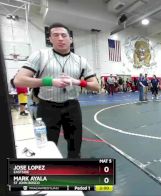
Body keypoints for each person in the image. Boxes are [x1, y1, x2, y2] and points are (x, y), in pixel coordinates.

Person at [14, 23, 99, 158]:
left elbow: (96, 86)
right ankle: (51, 173)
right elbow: (19, 80)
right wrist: (49, 81)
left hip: (72, 107)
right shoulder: (40, 55)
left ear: (70, 39)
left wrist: (77, 81)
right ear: (50, 39)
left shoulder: (81, 60)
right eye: (56, 35)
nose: (60, 38)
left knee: (75, 145)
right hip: (47, 107)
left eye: (64, 35)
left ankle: (75, 170)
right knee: (46, 146)